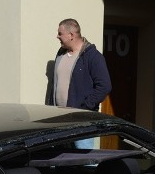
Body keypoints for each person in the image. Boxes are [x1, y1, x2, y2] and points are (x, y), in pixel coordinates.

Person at [45, 18, 111, 149]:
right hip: (59, 121)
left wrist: (85, 107)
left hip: (82, 121)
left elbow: (105, 86)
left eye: (60, 33)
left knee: (85, 162)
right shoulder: (61, 53)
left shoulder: (93, 56)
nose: (57, 36)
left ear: (71, 35)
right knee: (62, 161)